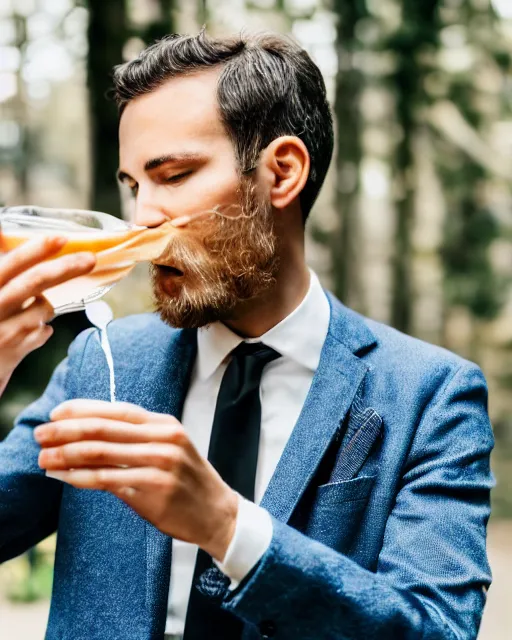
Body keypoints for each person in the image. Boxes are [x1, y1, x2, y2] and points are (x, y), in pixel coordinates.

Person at [0, 31, 493, 640]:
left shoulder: (430, 395)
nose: (141, 219)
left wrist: (227, 526)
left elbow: (439, 630)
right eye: (134, 186)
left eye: (173, 175)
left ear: (281, 173)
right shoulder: (101, 362)